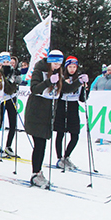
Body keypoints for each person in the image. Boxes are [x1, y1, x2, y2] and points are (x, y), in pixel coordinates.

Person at [24, 50, 68, 188]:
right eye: (55, 63)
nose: (57, 66)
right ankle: (35, 173)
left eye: (59, 64)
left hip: (47, 114)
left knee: (42, 144)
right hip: (36, 112)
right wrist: (48, 81)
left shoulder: (58, 73)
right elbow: (34, 88)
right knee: (39, 144)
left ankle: (38, 172)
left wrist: (79, 82)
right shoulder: (39, 70)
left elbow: (66, 88)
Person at [54, 56, 88, 170]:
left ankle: (66, 156)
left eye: (74, 67)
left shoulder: (79, 79)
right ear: (66, 67)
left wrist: (85, 88)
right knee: (60, 133)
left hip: (73, 106)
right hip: (62, 105)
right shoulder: (62, 78)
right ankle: (59, 158)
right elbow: (58, 93)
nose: (72, 69)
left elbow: (83, 98)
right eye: (70, 67)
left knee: (75, 134)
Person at [0, 53, 21, 158]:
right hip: (1, 99)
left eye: (8, 62)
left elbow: (14, 86)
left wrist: (17, 80)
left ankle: (8, 146)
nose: (6, 64)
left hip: (11, 98)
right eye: (4, 62)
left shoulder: (13, 71)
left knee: (13, 123)